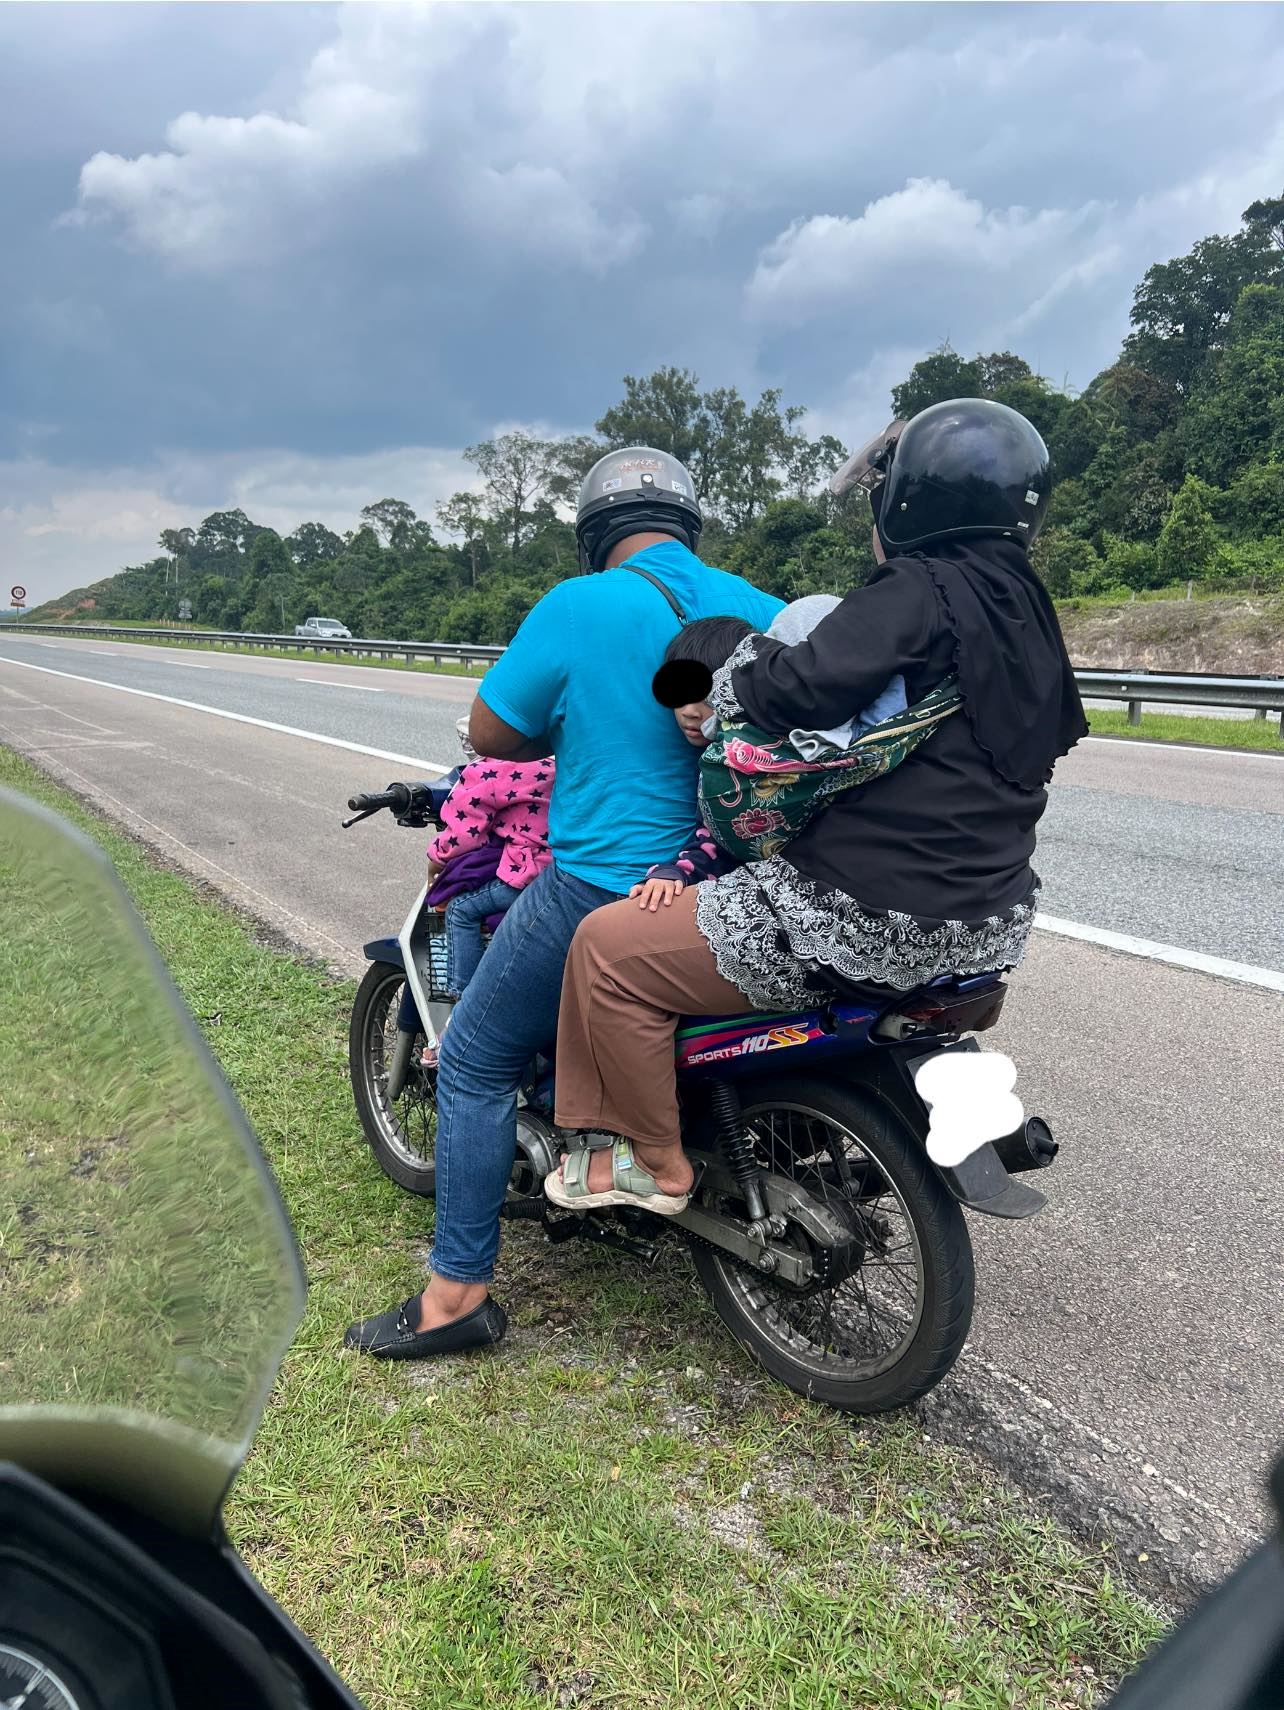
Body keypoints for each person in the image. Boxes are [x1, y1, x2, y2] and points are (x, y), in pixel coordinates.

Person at [548, 398, 1088, 1215]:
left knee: (605, 949)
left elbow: (797, 689)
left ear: (907, 503)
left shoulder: (918, 586)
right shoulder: (1026, 607)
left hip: (864, 915)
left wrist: (741, 662)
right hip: (986, 920)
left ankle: (655, 1162)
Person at [344, 446, 783, 1359]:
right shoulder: (764, 604)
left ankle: (455, 1298)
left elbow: (491, 733)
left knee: (472, 1059)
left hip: (604, 882)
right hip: (741, 885)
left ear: (594, 534)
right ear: (689, 524)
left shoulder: (577, 606)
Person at [424, 749, 555, 1005]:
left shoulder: (490, 770)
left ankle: (464, 1003)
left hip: (526, 873)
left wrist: (435, 860)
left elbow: (464, 835)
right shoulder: (552, 766)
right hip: (559, 872)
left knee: (460, 910)